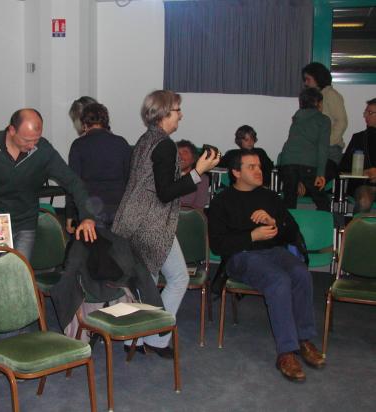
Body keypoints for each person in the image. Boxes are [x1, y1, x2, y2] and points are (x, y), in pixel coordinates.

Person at [112, 90, 219, 357]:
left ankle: (135, 340)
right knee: (177, 278)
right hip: (151, 225)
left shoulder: (146, 140)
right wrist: (198, 172)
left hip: (135, 220)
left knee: (147, 281)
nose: (181, 115)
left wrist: (186, 174)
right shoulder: (165, 145)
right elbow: (164, 192)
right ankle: (153, 339)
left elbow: (153, 182)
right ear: (162, 114)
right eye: (177, 110)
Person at [209, 149, 325, 382]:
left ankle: (304, 339)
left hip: (273, 251)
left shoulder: (270, 197)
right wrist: (252, 236)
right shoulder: (221, 201)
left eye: (259, 166)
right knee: (278, 280)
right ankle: (286, 352)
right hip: (241, 256)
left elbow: (292, 232)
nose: (258, 171)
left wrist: (274, 223)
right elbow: (218, 245)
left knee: (301, 273)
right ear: (235, 172)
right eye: (251, 167)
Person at [0, 108, 96, 260]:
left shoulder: (43, 150)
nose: (32, 146)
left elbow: (73, 182)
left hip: (25, 221)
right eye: (27, 140)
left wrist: (87, 216)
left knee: (20, 272)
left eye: (36, 139)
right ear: (12, 130)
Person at [66, 102, 131, 232]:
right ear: (106, 122)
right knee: (118, 249)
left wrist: (69, 216)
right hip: (119, 208)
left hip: (90, 209)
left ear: (84, 124)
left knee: (95, 250)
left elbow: (73, 183)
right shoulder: (121, 143)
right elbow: (130, 179)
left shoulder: (78, 145)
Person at [279, 88, 331, 211]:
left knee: (289, 201)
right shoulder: (323, 120)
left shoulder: (297, 117)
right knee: (321, 200)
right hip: (308, 162)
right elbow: (323, 148)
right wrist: (320, 174)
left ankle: (286, 228)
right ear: (317, 103)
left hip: (287, 161)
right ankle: (327, 227)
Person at [303, 62, 348, 182]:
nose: (305, 83)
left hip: (330, 150)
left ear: (318, 78)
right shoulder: (312, 97)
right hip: (314, 149)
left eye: (308, 79)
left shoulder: (331, 95)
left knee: (316, 177)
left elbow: (341, 121)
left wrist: (328, 141)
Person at [340, 98, 376, 213]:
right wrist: (363, 171)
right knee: (364, 200)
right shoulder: (358, 138)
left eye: (370, 113)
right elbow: (344, 167)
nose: (365, 116)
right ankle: (356, 230)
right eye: (365, 112)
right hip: (366, 186)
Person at [177, 140, 209, 209]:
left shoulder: (201, 178)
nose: (180, 156)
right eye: (177, 153)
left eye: (185, 152)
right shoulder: (165, 175)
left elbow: (199, 209)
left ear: (193, 159)